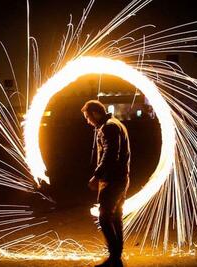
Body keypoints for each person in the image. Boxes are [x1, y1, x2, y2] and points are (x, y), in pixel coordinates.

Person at [81, 100, 130, 267]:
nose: (87, 121)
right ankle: (116, 255)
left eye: (88, 117)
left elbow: (110, 154)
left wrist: (97, 175)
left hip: (112, 179)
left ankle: (114, 257)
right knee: (115, 216)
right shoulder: (115, 124)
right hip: (120, 177)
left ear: (95, 113)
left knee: (104, 216)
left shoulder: (108, 127)